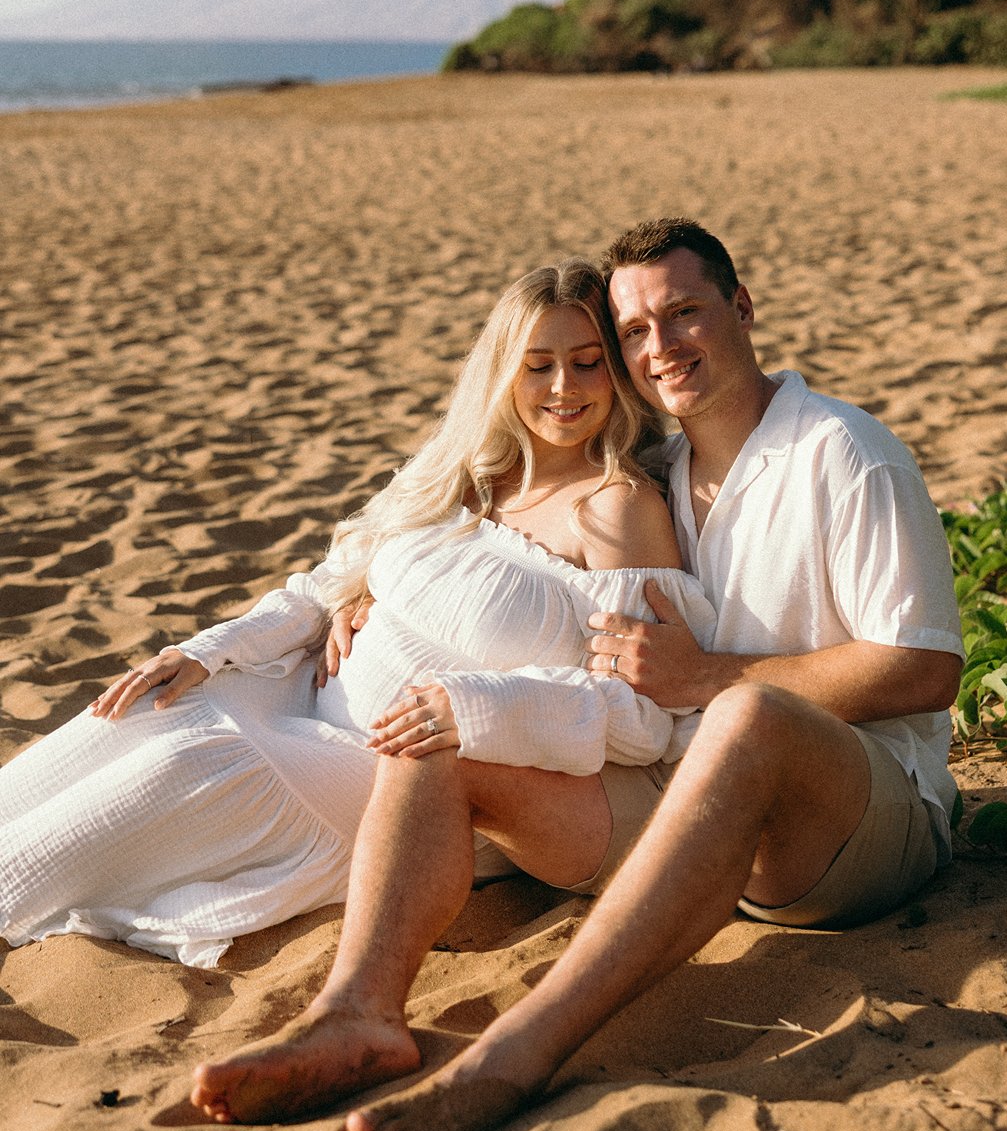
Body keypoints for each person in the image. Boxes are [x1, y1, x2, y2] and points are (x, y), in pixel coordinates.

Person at [191, 218, 965, 1131]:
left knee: (747, 717)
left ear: (742, 307)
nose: (660, 347)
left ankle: (512, 1060)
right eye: (635, 332)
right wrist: (364, 595)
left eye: (684, 313)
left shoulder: (843, 452)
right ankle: (357, 1016)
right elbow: (501, 533)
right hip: (694, 817)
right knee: (441, 739)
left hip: (855, 825)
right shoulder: (660, 473)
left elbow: (925, 668)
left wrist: (711, 679)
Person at [0, 259, 714, 969]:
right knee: (156, 707)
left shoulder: (617, 509)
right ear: (503, 375)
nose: (564, 388)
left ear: (616, 374)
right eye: (538, 366)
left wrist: (476, 706)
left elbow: (641, 716)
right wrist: (211, 649)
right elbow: (323, 586)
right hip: (298, 693)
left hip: (387, 772)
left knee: (194, 759)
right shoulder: (466, 468)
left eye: (587, 363)